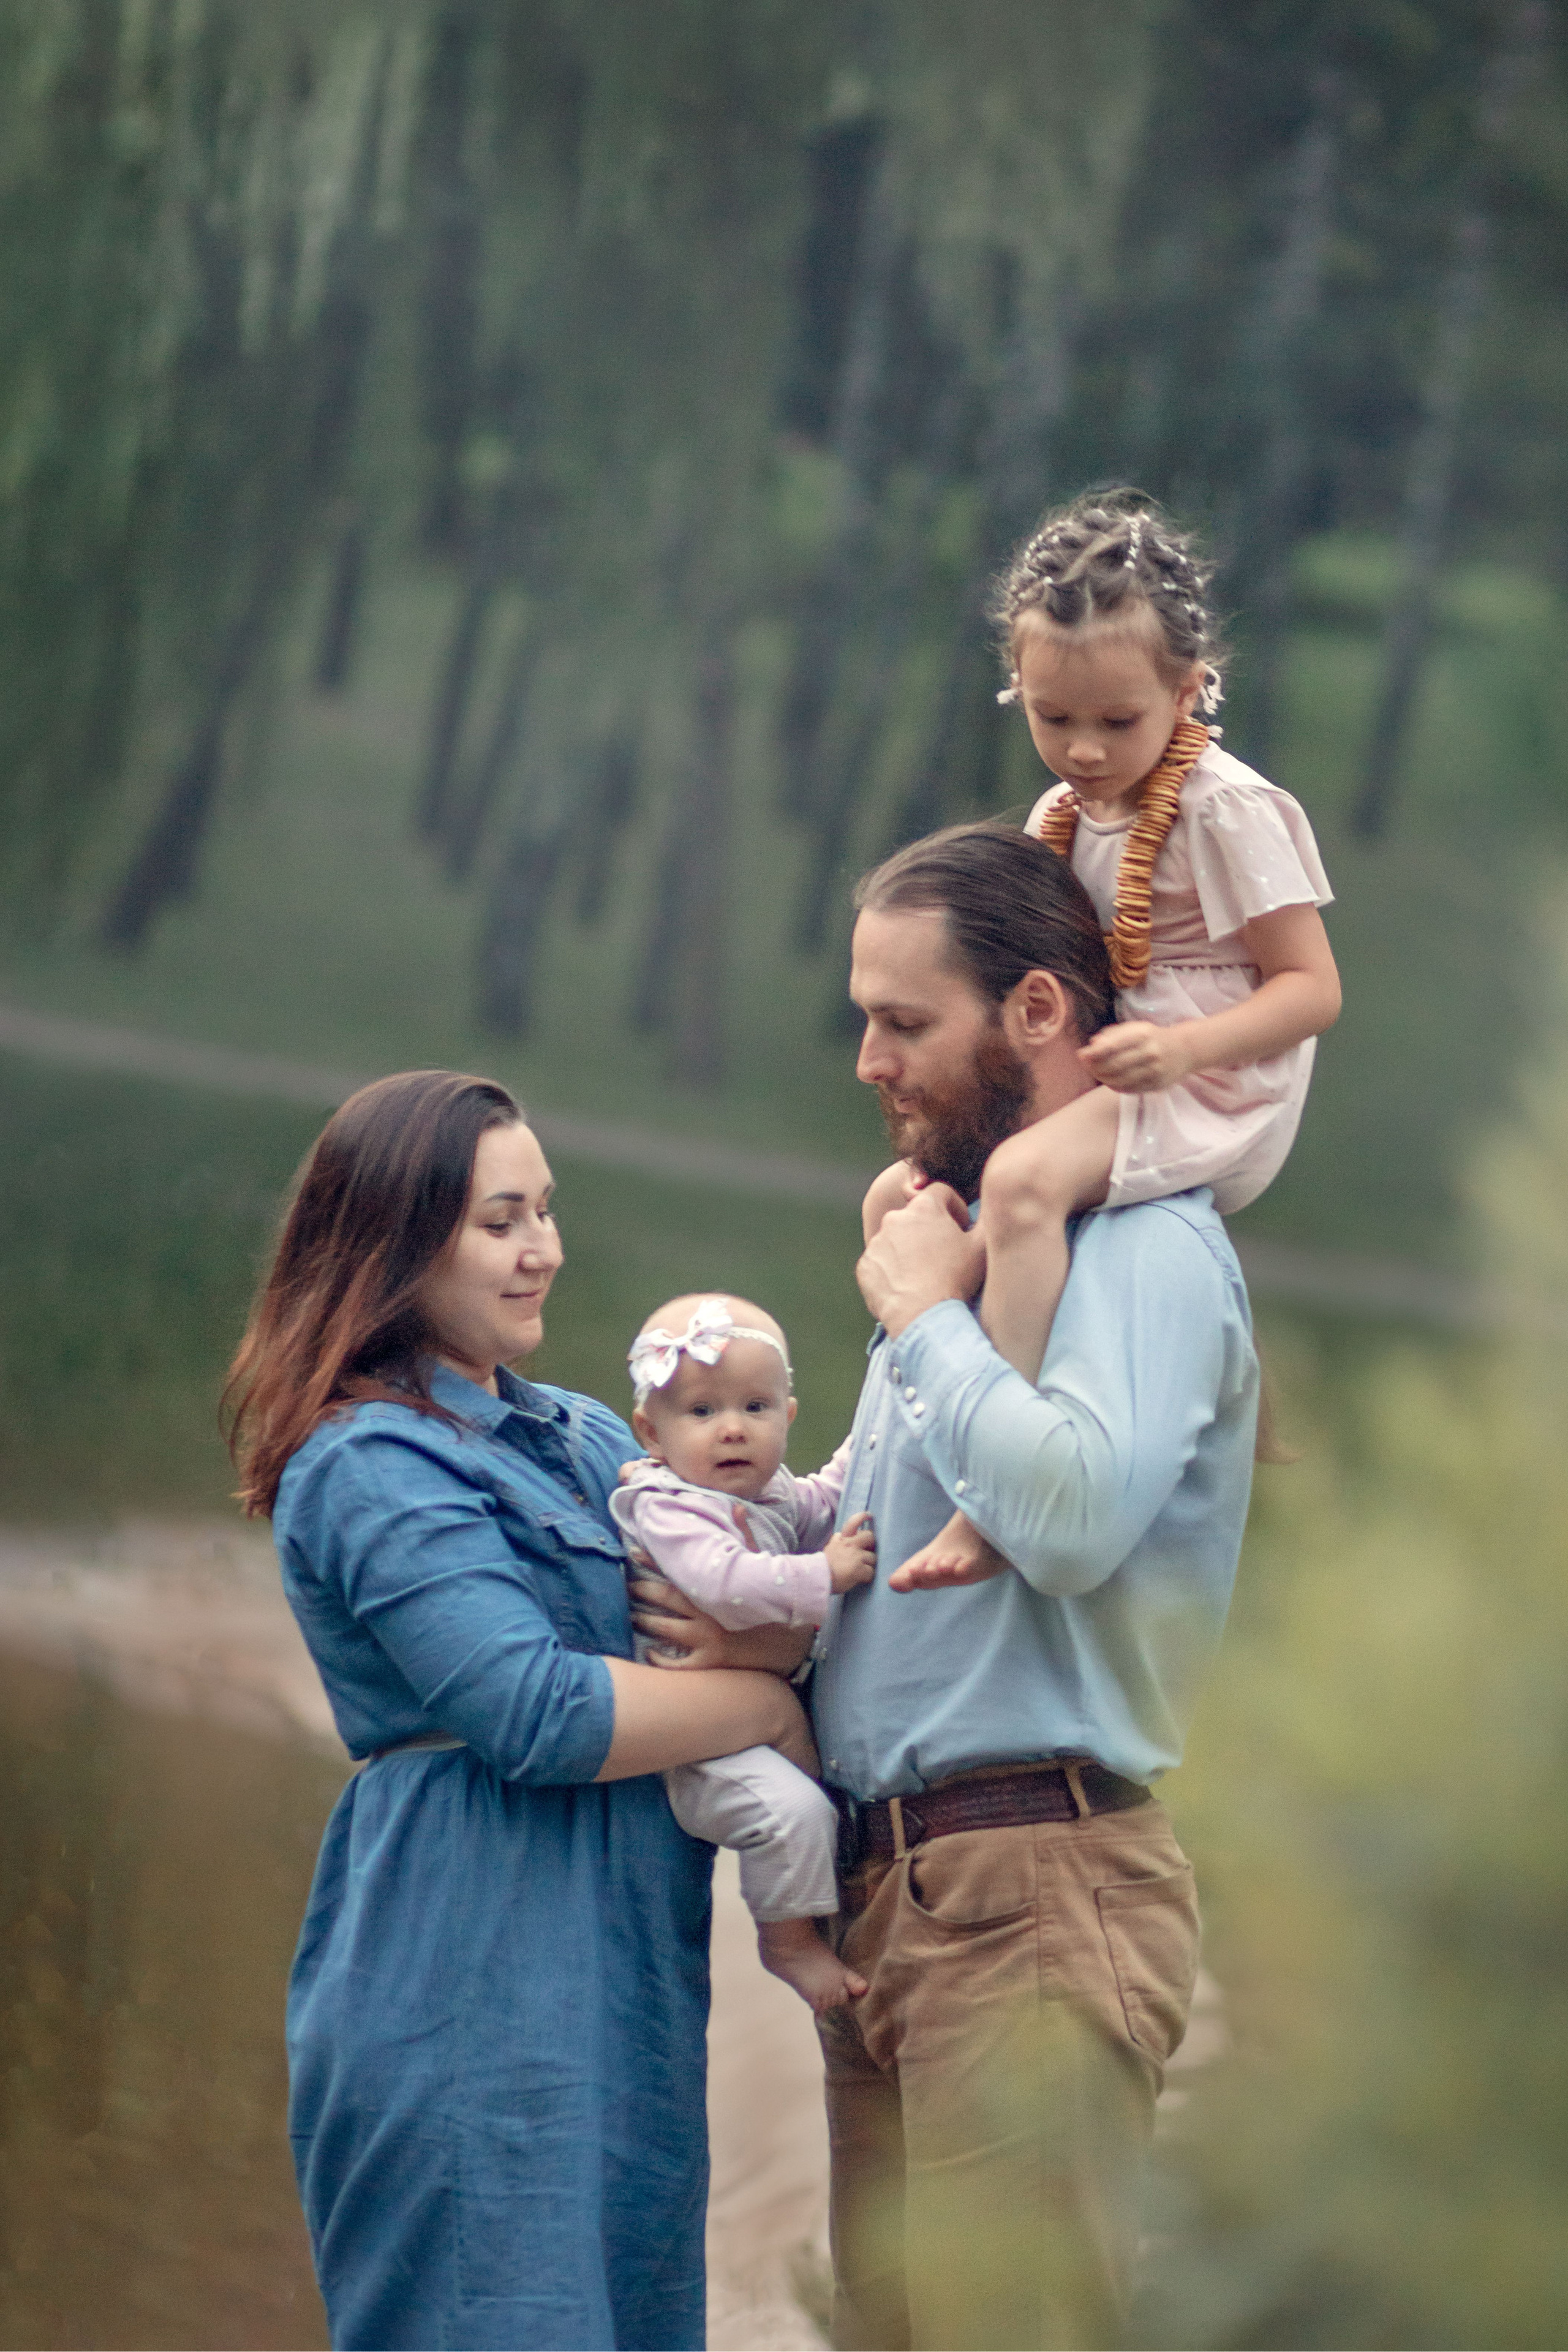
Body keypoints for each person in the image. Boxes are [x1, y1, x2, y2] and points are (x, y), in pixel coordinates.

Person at [634, 823, 1259, 2350]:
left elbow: (1067, 1521)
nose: (867, 1061)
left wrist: (921, 1321)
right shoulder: (969, 1246)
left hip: (1030, 1893)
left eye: (902, 1021)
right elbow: (886, 1542)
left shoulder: (1147, 1248)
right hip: (894, 1898)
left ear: (1034, 1011)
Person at [223, 1070, 816, 2352]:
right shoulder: (366, 1459)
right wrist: (764, 1705)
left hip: (630, 1984)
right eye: (501, 1221)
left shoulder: (592, 1438)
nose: (541, 1249)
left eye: (544, 1211)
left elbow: (746, 1578)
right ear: (396, 1241)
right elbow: (536, 1713)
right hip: (465, 1974)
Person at [864, 488, 1339, 1588]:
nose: (1081, 749)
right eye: (1051, 717)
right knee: (900, 1198)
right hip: (1112, 1066)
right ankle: (889, 1447)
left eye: (1117, 722)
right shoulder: (1063, 818)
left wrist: (1187, 1051)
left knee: (1023, 1182)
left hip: (1211, 1078)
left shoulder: (1224, 809)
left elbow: (1312, 990)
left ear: (1189, 688)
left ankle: (991, 1491)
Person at [611, 1292, 876, 2013]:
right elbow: (723, 1585)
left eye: (755, 1408)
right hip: (694, 1738)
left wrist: (871, 1441)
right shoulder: (669, 1505)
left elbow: (823, 1500)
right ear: (651, 1432)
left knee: (823, 1811)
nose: (732, 1429)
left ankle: (824, 1908)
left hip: (745, 1713)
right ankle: (788, 1943)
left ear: (786, 1416)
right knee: (793, 1815)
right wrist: (823, 1574)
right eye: (702, 1411)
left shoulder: (768, 1492)